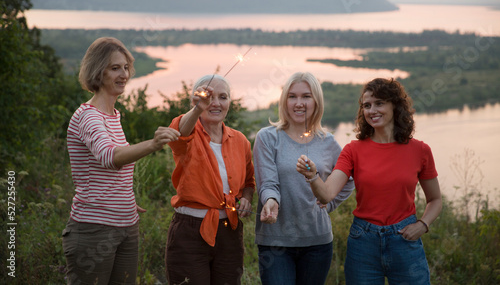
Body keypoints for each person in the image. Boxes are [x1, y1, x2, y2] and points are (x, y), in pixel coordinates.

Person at [297, 77, 442, 285]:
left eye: (379, 103)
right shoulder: (353, 150)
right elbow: (327, 194)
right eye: (367, 105)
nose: (372, 110)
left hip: (405, 239)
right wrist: (312, 176)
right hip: (363, 243)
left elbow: (435, 200)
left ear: (395, 105)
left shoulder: (420, 150)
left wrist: (423, 224)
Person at [62, 37, 180, 285]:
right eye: (115, 68)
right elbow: (110, 157)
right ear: (98, 71)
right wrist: (154, 143)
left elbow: (112, 171)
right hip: (94, 229)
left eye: (126, 67)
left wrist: (122, 197)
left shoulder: (113, 115)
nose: (123, 74)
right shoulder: (88, 116)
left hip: (127, 226)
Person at [253, 72, 355, 285]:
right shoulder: (268, 137)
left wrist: (329, 202)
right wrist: (270, 201)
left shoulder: (328, 142)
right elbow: (267, 182)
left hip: (318, 243)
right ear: (284, 101)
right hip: (275, 242)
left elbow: (349, 178)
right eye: (292, 97)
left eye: (306, 96)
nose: (299, 103)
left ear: (316, 101)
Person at [165, 74, 255, 285]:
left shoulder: (240, 140)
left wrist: (247, 199)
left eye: (222, 97)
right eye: (208, 97)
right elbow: (178, 132)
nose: (215, 103)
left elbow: (249, 182)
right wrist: (198, 108)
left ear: (229, 103)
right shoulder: (186, 133)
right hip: (189, 232)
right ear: (194, 102)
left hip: (230, 233)